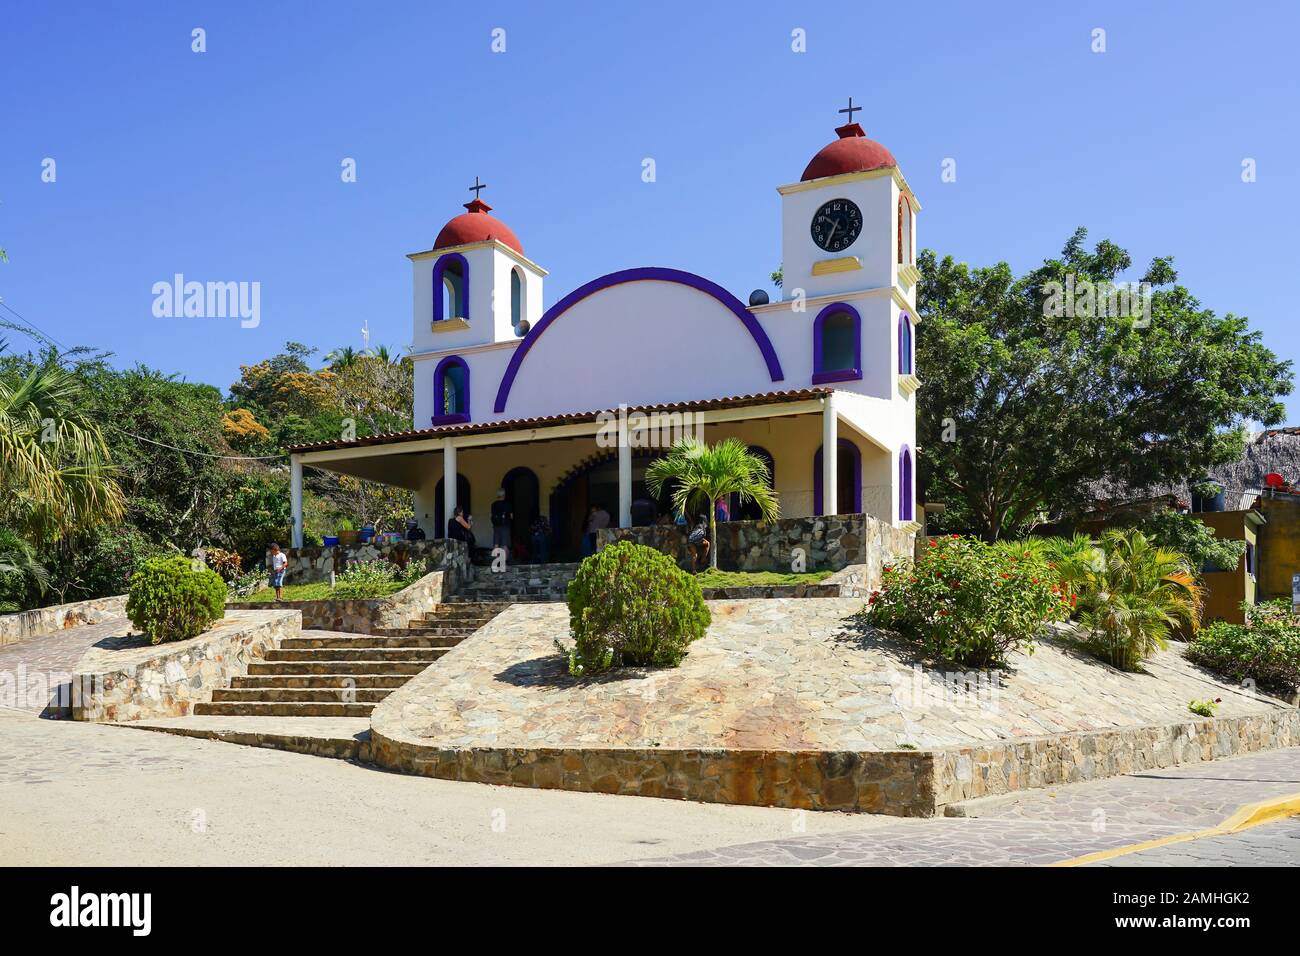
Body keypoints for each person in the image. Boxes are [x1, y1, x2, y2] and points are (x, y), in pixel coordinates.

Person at [490, 488, 513, 555]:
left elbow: (491, 515)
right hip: (505, 526)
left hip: (496, 526)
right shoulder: (508, 504)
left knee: (496, 544)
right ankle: (504, 562)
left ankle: (496, 562)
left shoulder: (493, 504)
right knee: (504, 545)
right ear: (504, 495)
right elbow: (511, 516)